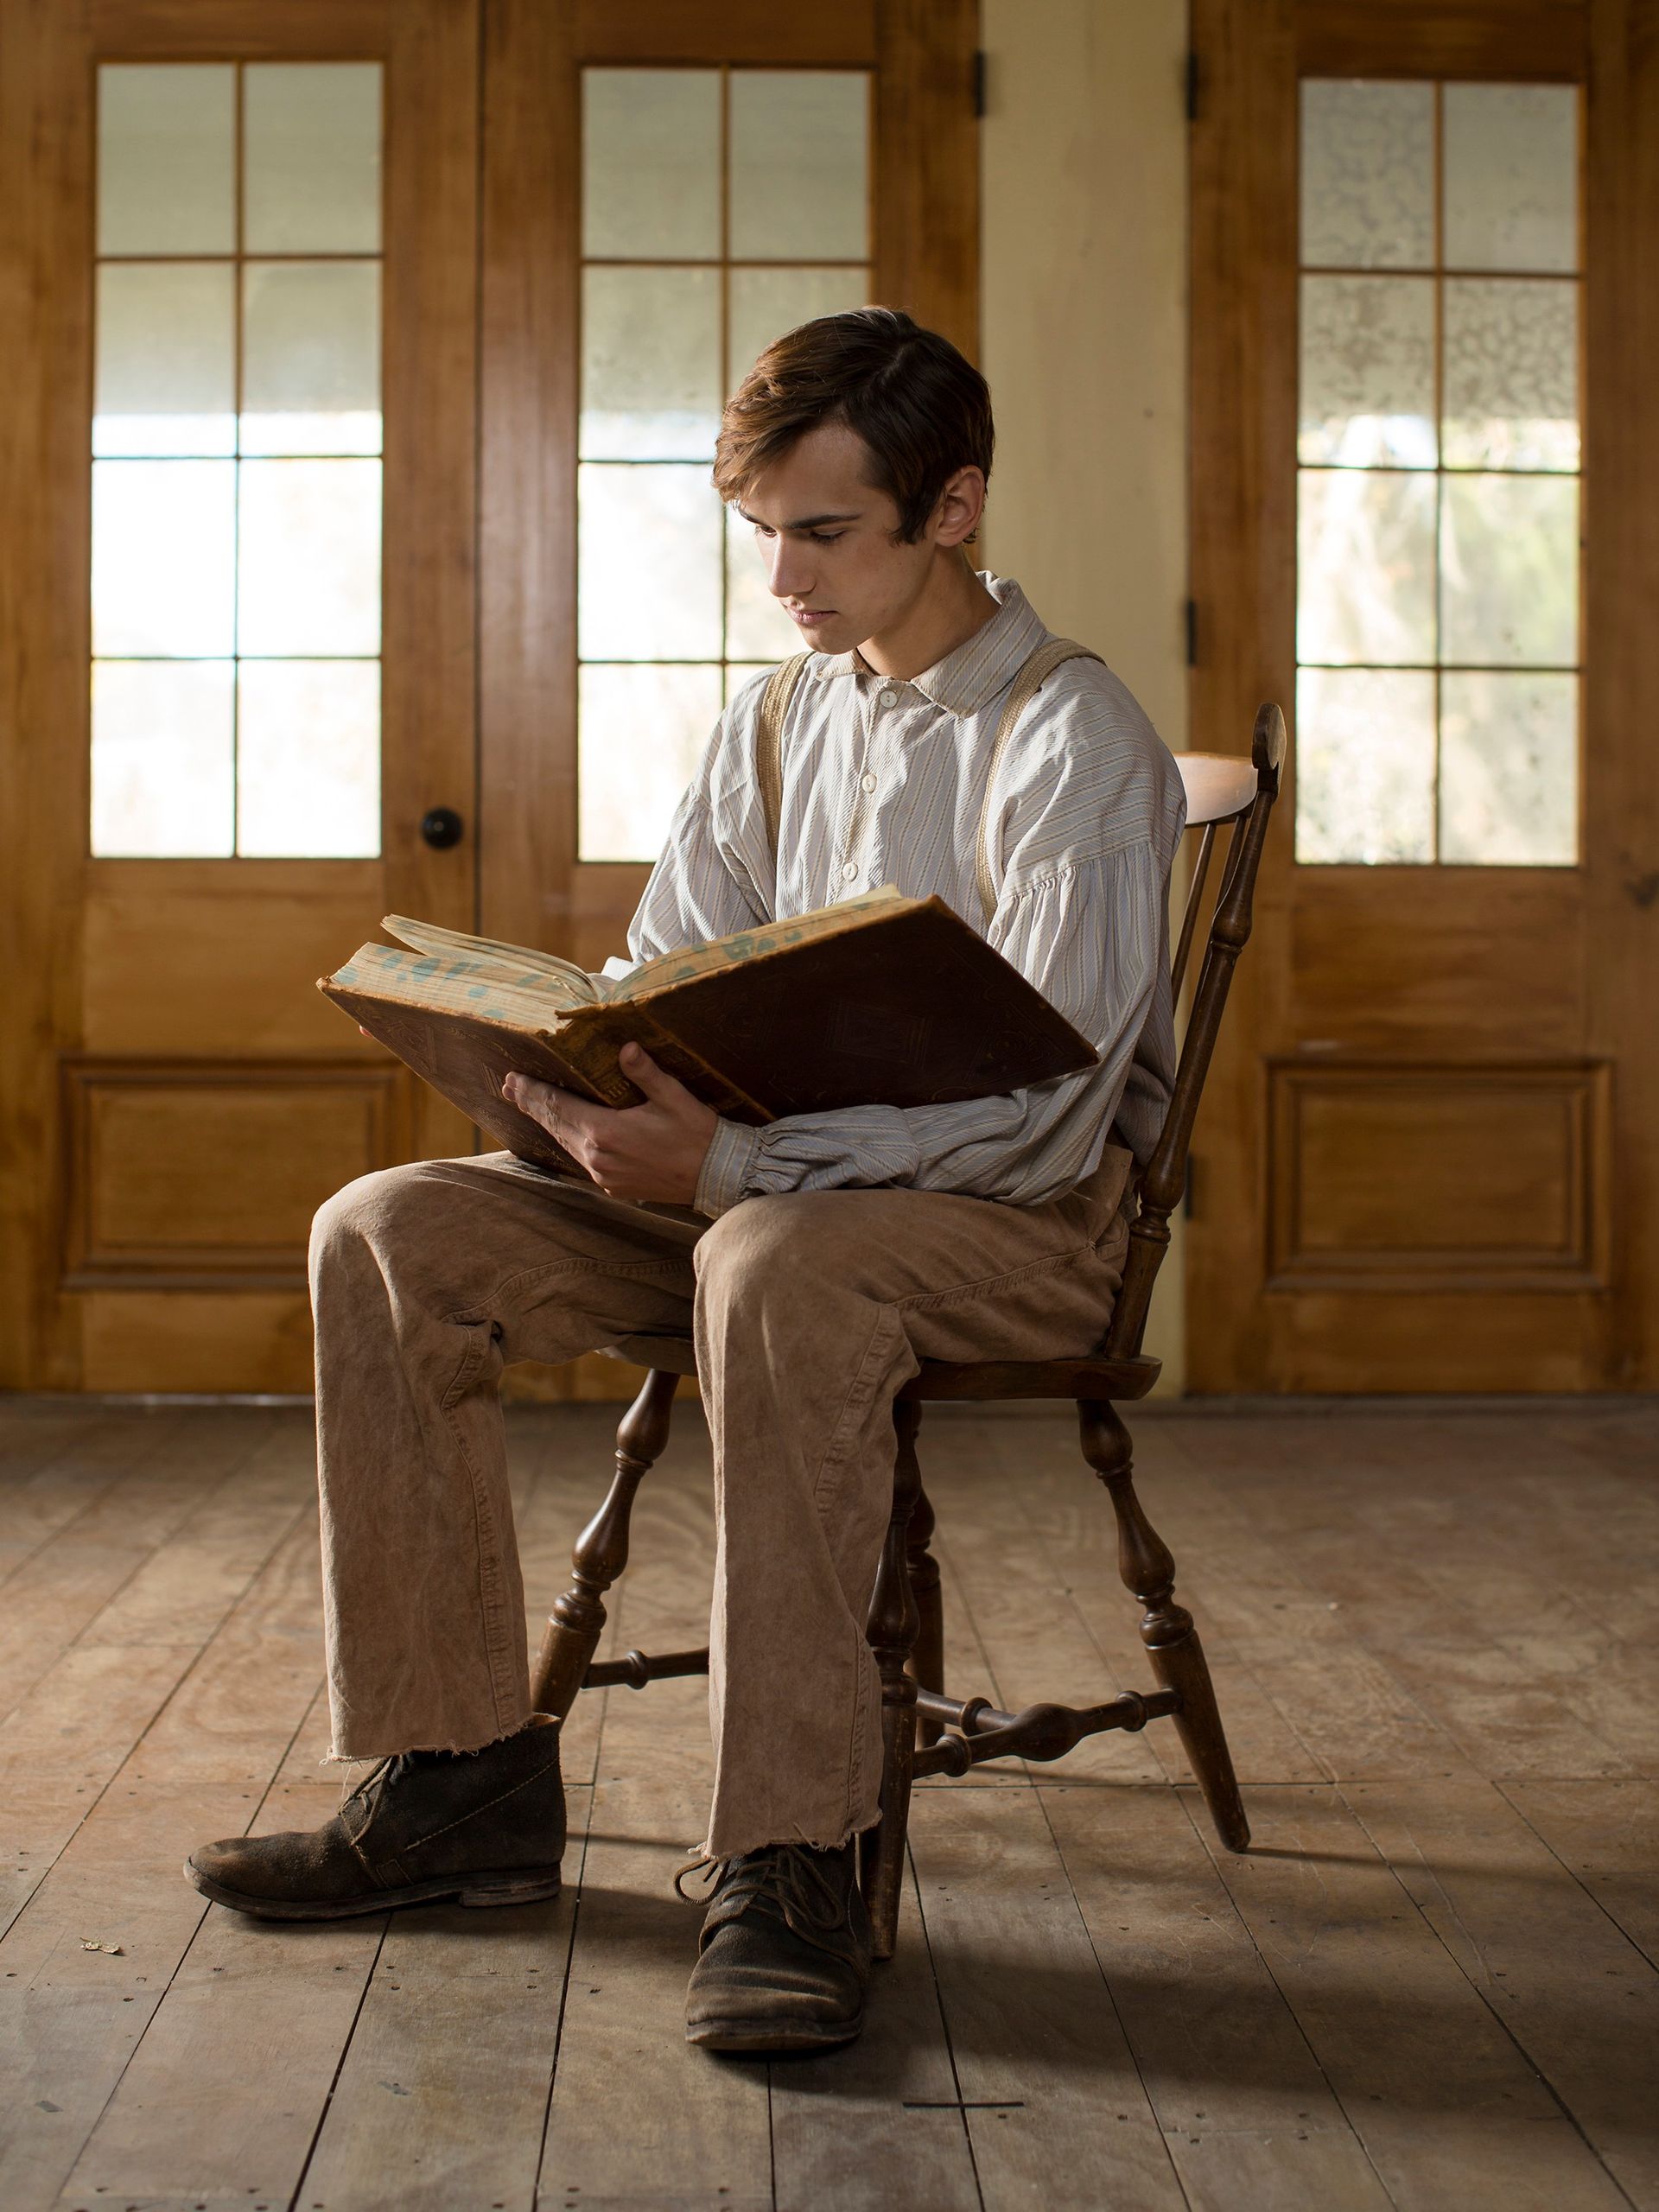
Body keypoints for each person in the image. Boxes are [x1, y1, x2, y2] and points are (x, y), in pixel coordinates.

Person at [185, 308, 1185, 2056]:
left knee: (777, 1264)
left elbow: (1040, 1118)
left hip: (1018, 1231)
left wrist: (738, 1163)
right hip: (752, 1205)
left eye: (823, 532)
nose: (783, 575)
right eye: (762, 534)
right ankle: (459, 1782)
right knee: (389, 1226)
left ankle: (793, 1853)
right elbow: (658, 973)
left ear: (952, 509)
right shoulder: (782, 717)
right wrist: (584, 1097)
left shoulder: (1070, 737)